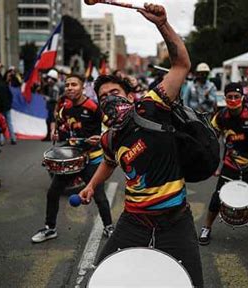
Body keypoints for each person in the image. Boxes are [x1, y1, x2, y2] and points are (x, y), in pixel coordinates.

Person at [78, 4, 203, 287]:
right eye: (103, 97)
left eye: (115, 93)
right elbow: (109, 163)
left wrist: (162, 24)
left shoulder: (152, 105)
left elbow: (182, 64)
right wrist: (91, 186)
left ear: (129, 95)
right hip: (133, 220)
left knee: (192, 282)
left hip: (176, 219)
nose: (109, 99)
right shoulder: (109, 137)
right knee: (103, 277)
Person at [31, 74, 113, 243]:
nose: (69, 87)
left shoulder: (92, 106)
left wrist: (101, 137)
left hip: (93, 159)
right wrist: (58, 131)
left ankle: (109, 227)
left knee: (99, 196)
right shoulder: (66, 107)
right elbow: (63, 126)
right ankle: (50, 228)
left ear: (82, 87)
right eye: (67, 84)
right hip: (73, 159)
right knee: (53, 193)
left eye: (74, 84)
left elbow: (112, 125)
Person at [199, 82, 248, 247]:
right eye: (229, 97)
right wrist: (214, 164)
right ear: (225, 98)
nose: (233, 99)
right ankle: (206, 227)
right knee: (217, 197)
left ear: (242, 98)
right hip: (231, 164)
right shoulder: (220, 116)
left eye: (236, 96)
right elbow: (211, 140)